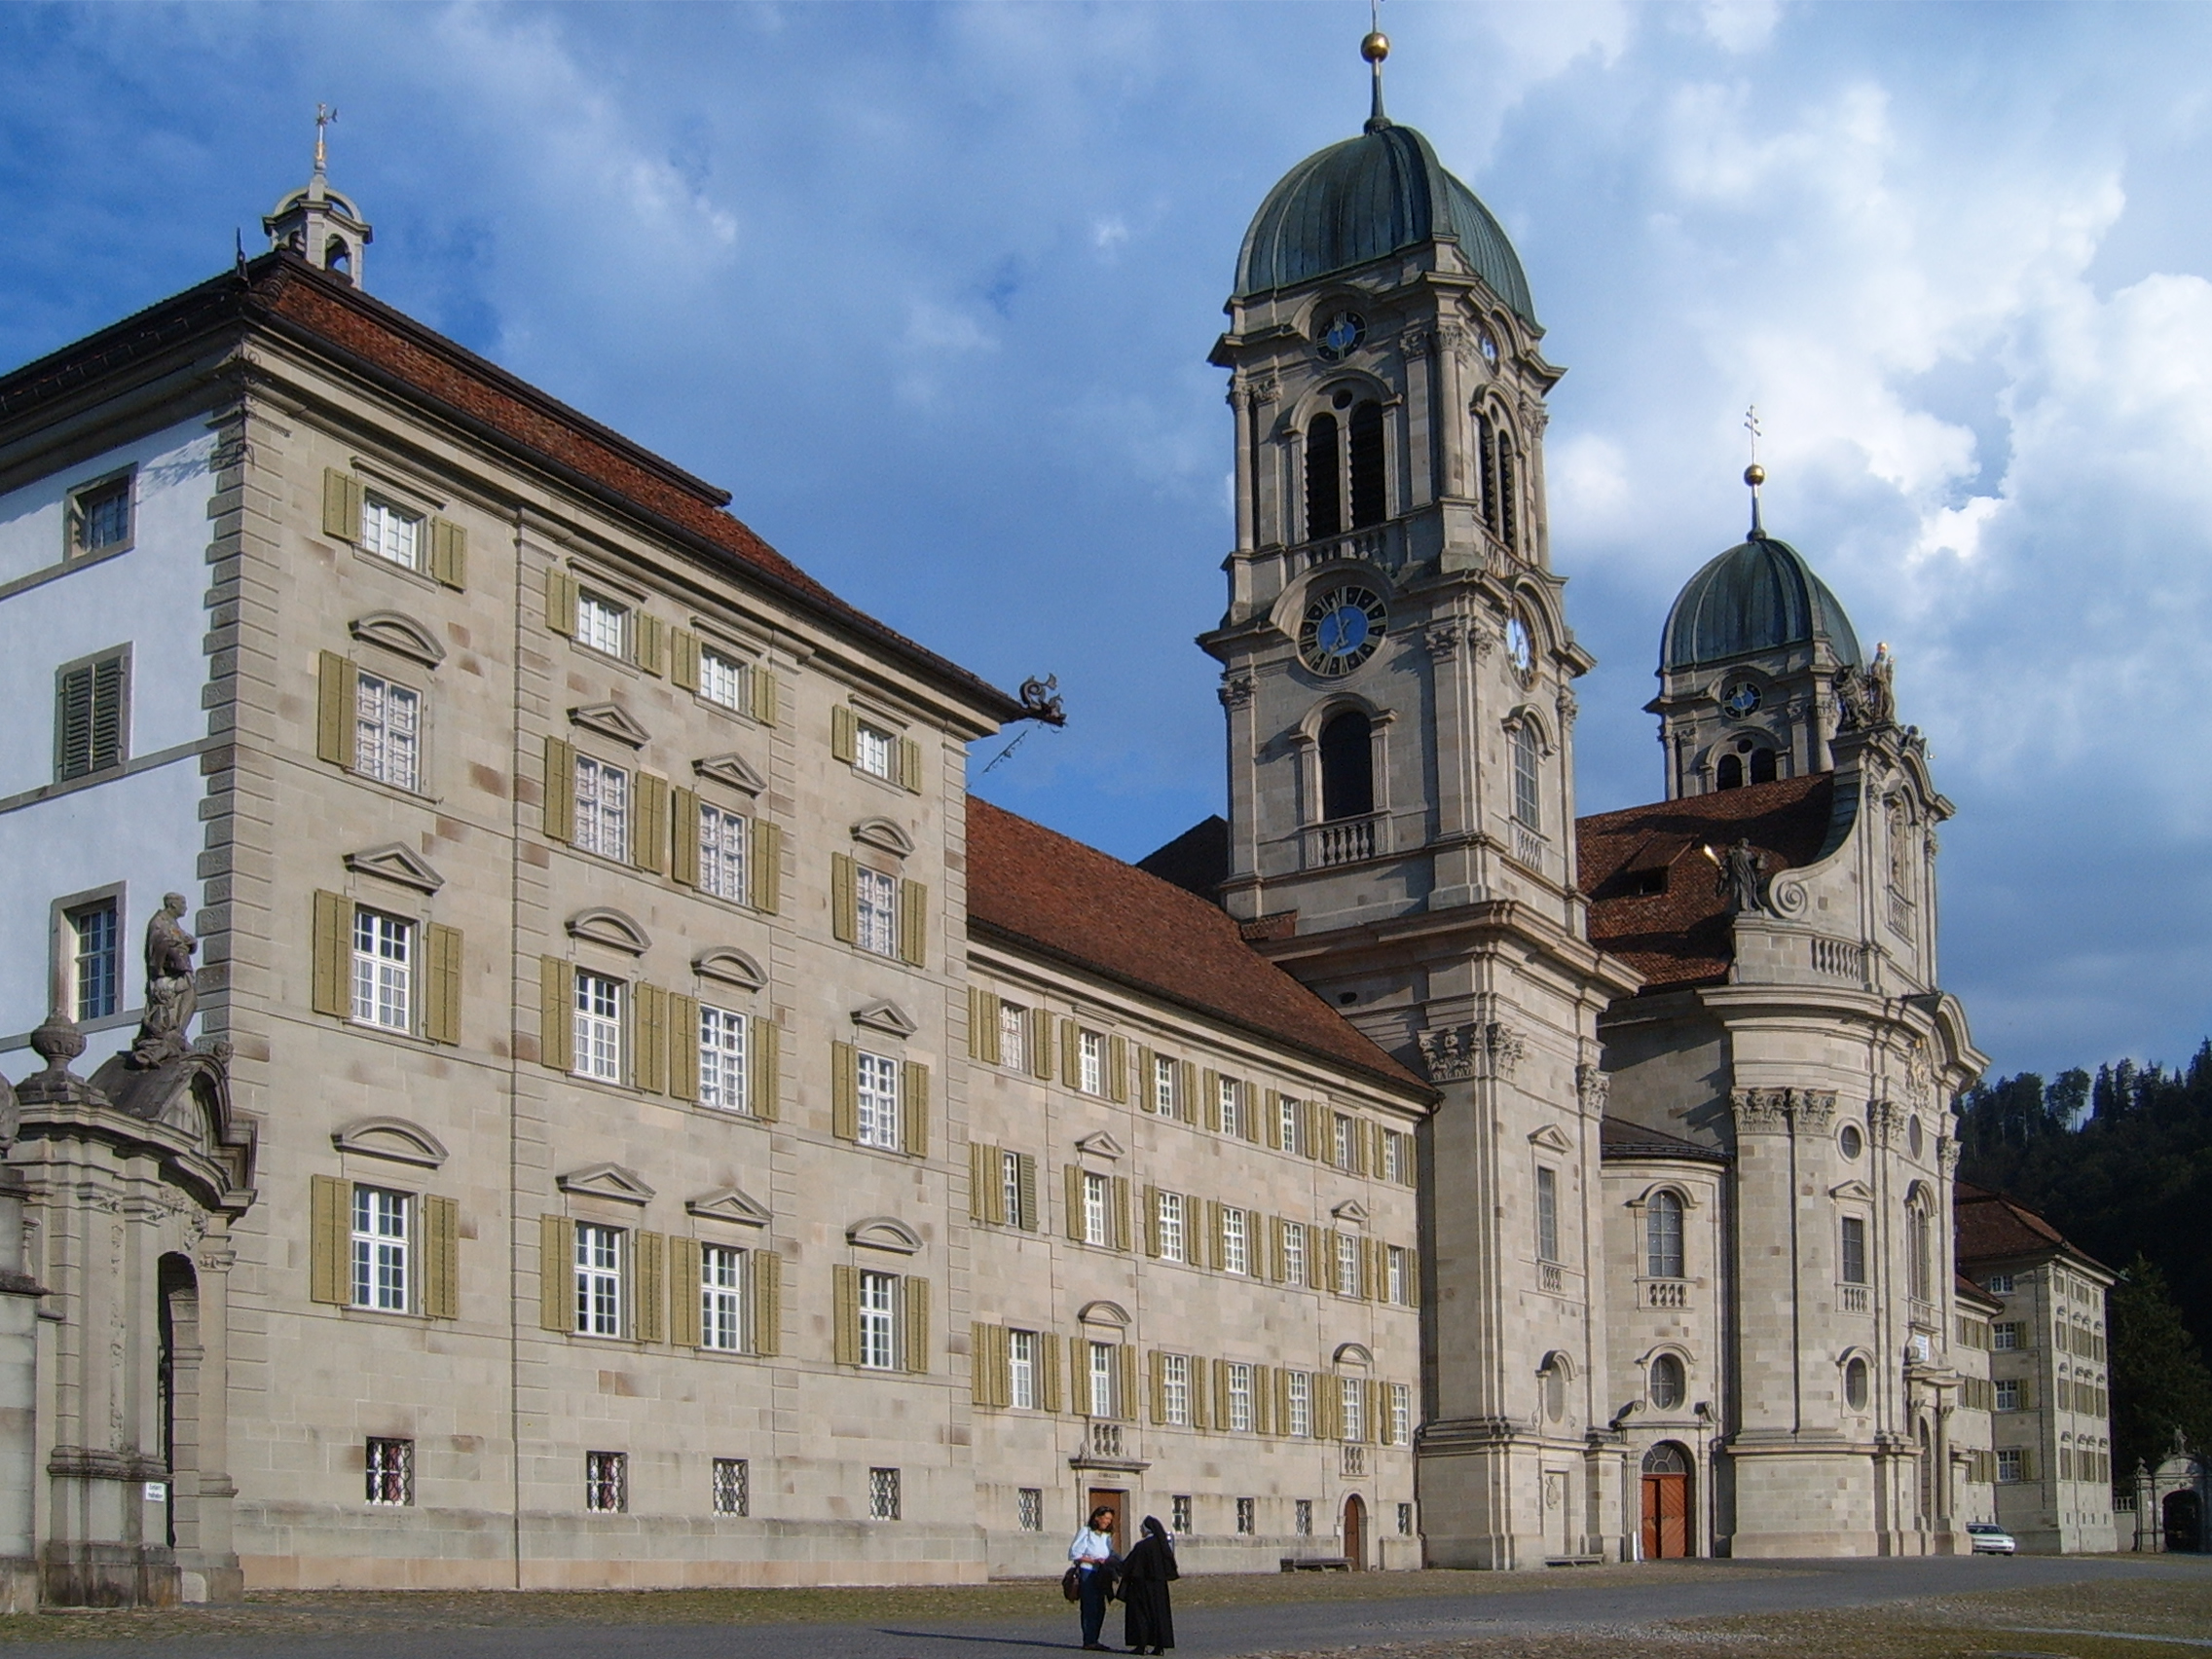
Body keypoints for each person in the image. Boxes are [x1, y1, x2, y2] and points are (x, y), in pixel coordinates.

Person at [1120, 1514, 1179, 1654]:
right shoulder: (1162, 1545)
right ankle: (1159, 1647)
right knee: (1159, 1615)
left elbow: (1129, 1565)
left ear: (1146, 1529)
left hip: (1142, 1586)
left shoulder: (1142, 1546)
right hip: (1159, 1587)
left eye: (1141, 1528)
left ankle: (1141, 1645)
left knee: (1141, 1615)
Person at [1068, 1506, 1119, 1651]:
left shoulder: (1107, 1536)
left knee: (1100, 1607)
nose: (1108, 1522)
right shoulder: (1086, 1532)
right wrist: (1093, 1560)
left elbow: (1110, 1553)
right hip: (1087, 1571)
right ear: (1097, 1517)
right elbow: (1074, 1553)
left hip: (1102, 1573)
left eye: (1110, 1520)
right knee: (1090, 1605)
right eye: (1106, 1518)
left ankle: (1095, 1638)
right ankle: (1089, 1640)